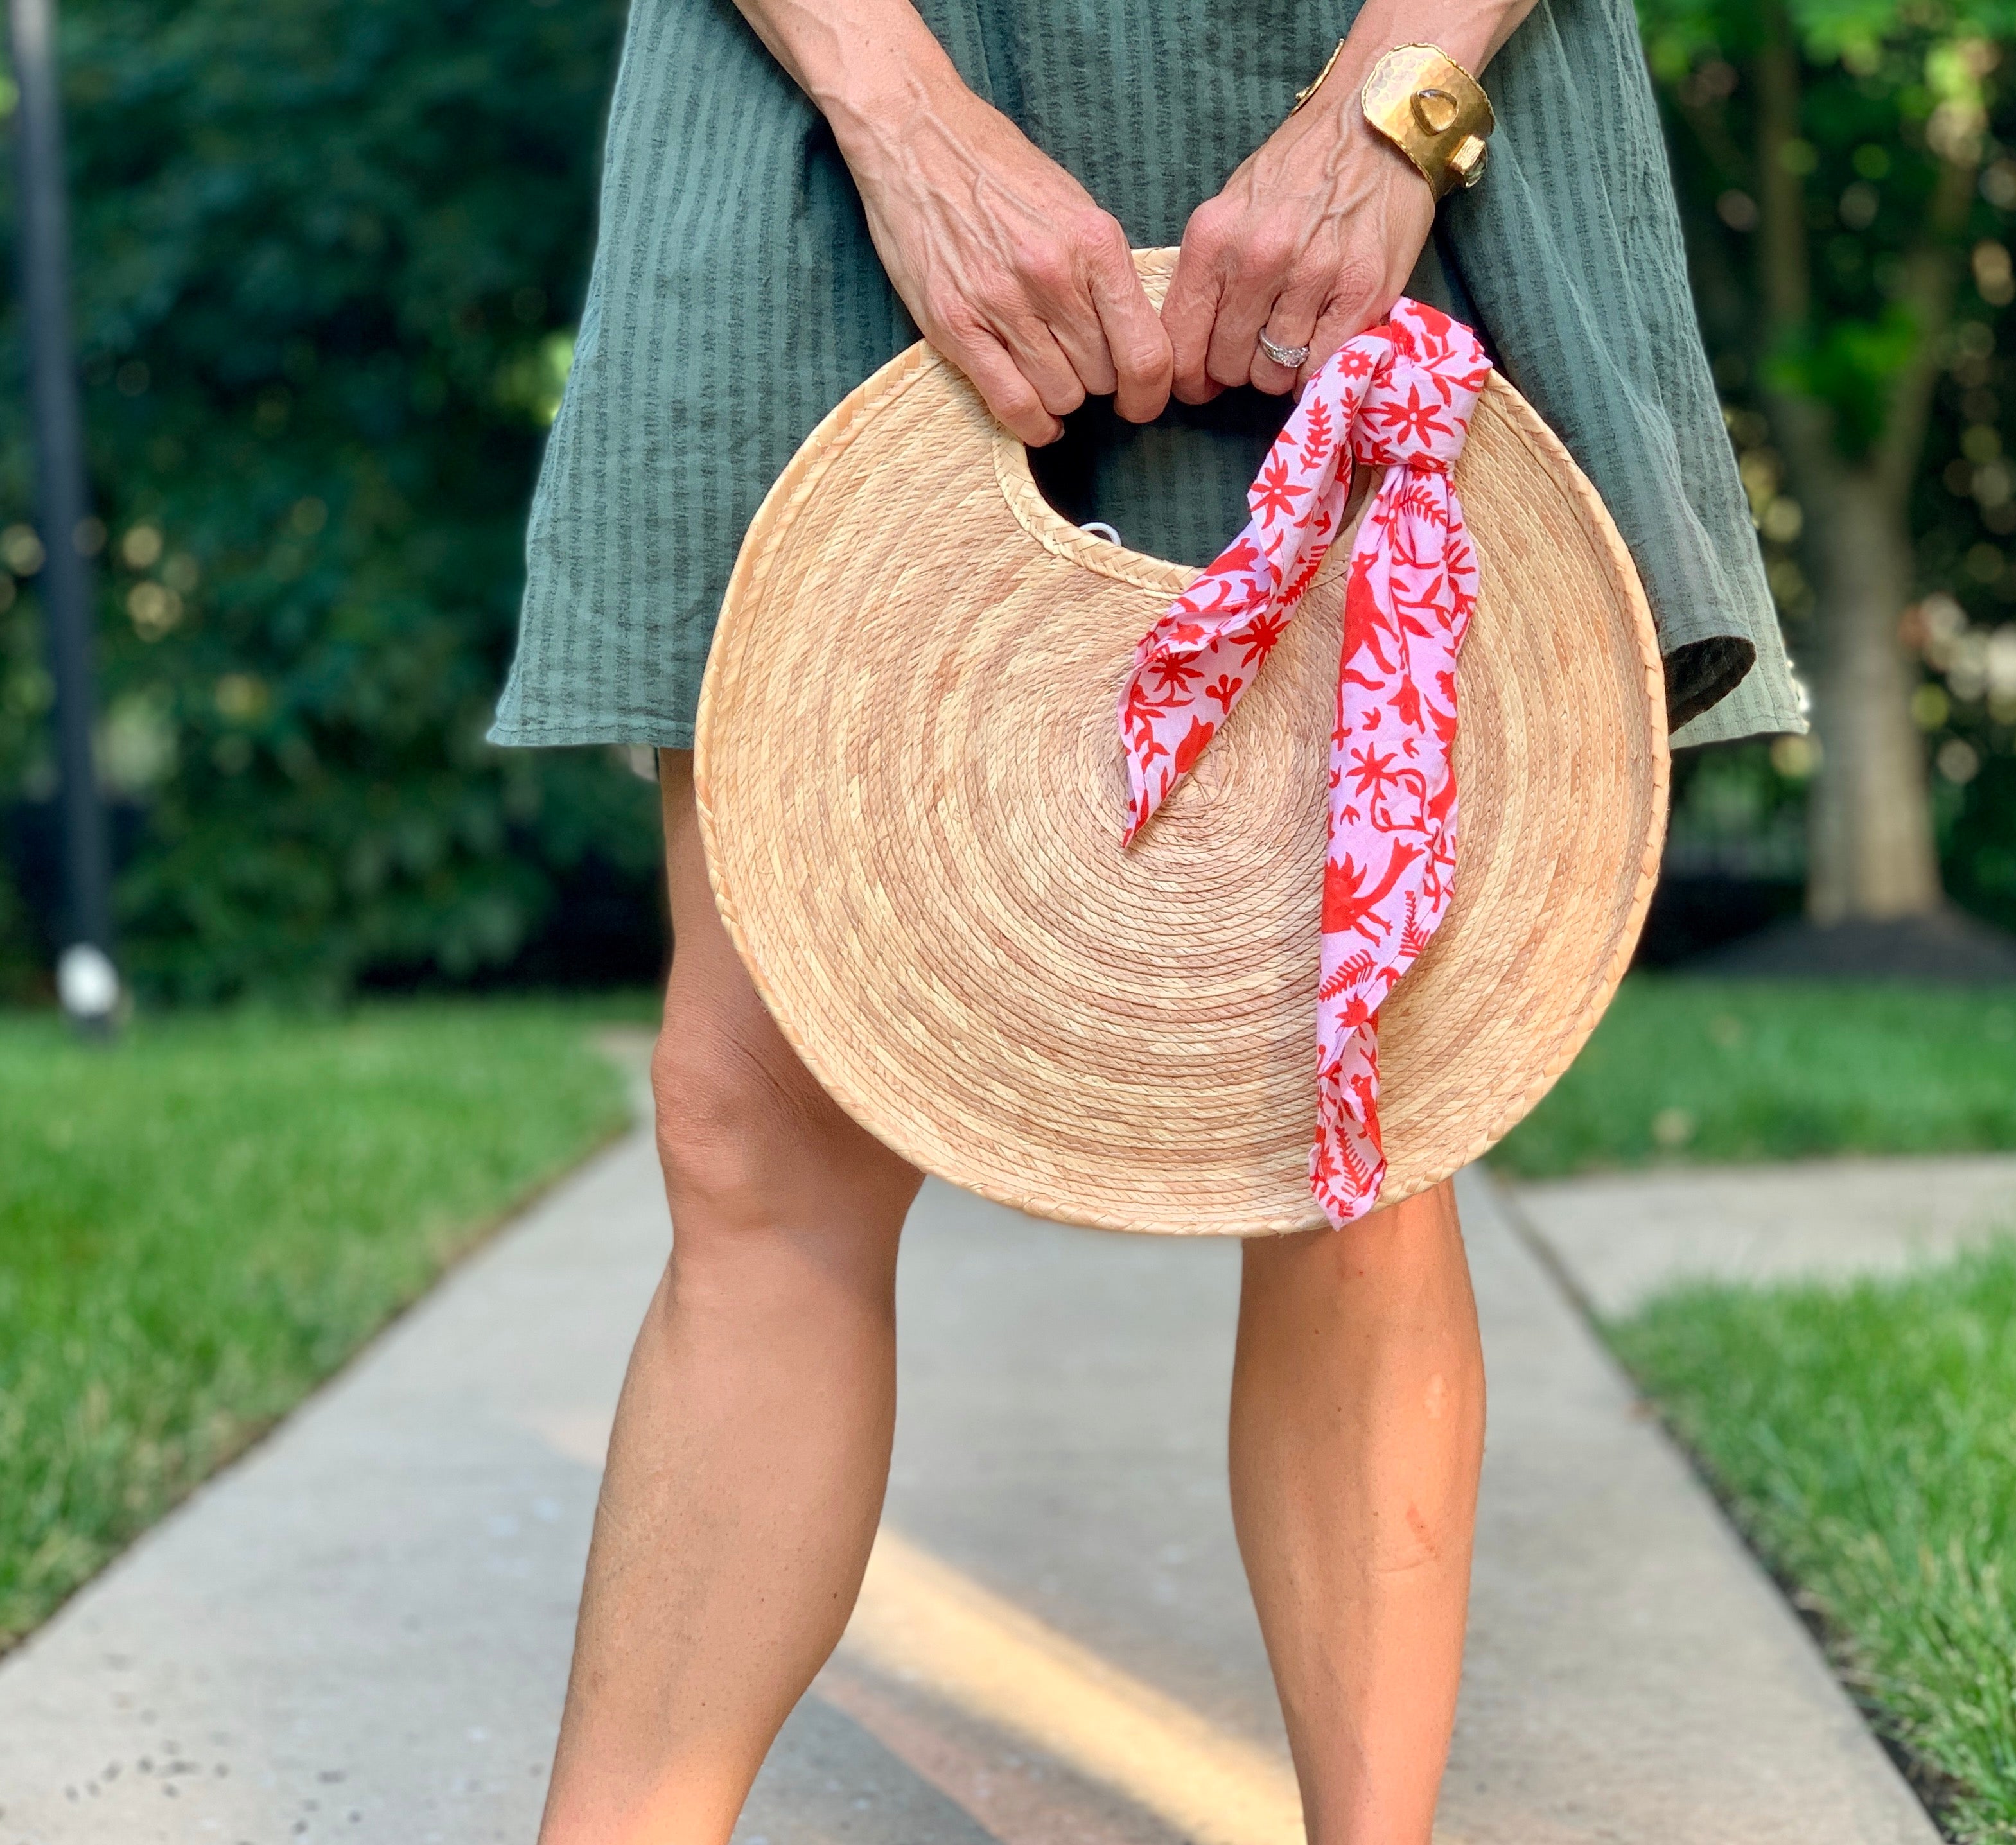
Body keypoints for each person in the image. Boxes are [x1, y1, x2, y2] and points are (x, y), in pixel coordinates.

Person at [489, 1, 1805, 1838]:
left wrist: (1395, 102)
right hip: (820, 69)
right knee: (757, 1114)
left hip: (1369, 64)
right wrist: (897, 106)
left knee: (1351, 1099)